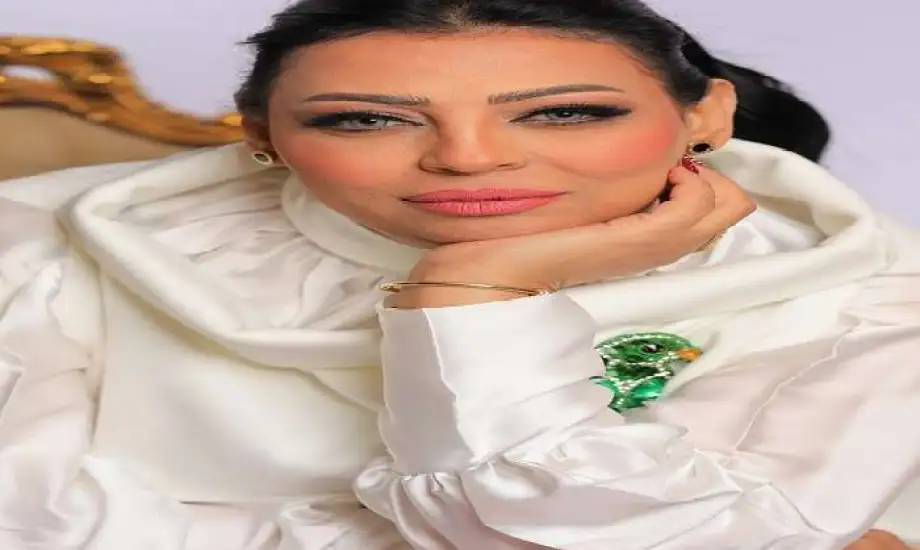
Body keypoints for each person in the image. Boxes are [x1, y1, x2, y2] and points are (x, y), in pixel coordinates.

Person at [0, 0, 917, 548]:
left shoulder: (868, 294)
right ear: (261, 134)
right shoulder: (40, 243)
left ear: (706, 115)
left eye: (565, 112)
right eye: (364, 119)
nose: (469, 159)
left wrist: (471, 298)